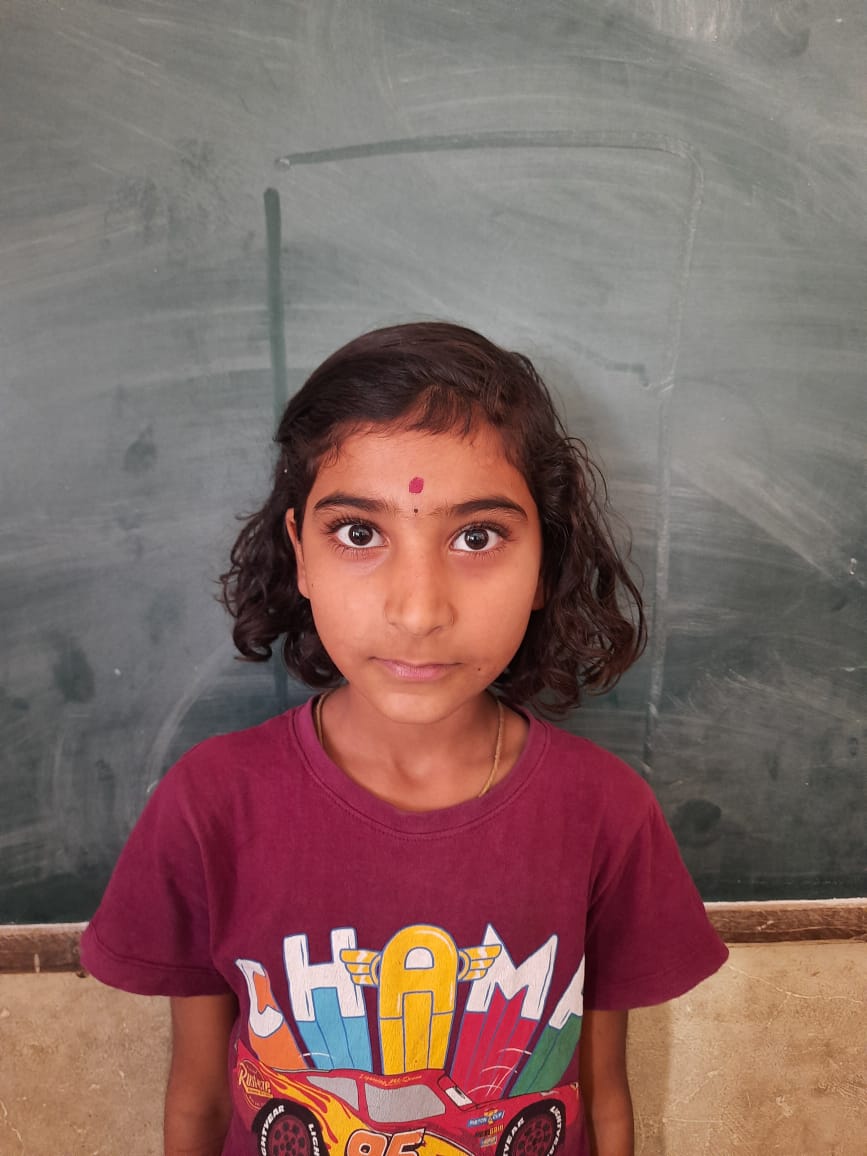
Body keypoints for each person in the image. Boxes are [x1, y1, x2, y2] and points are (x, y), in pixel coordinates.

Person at [80, 322, 728, 1156]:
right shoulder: (211, 806)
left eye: (476, 536)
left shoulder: (604, 812)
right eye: (359, 533)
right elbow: (199, 1102)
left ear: (545, 560)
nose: (418, 611)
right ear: (300, 555)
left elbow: (601, 1099)